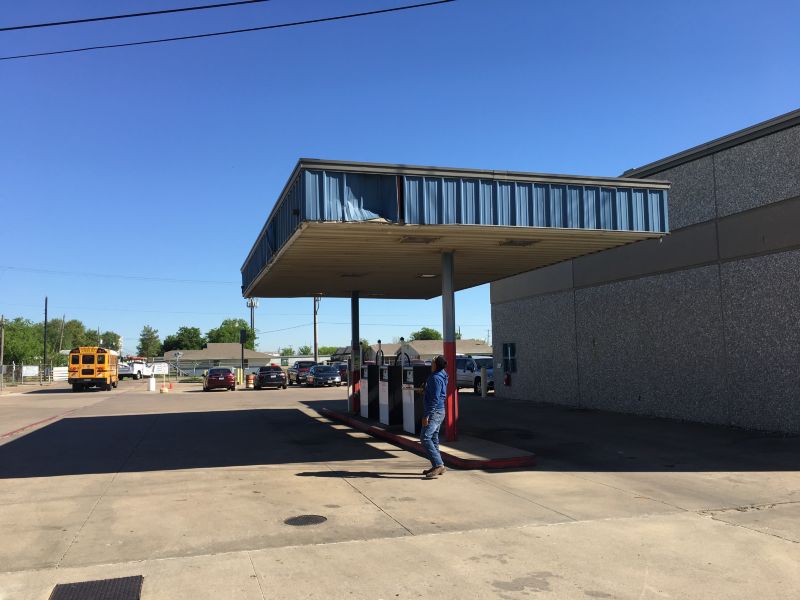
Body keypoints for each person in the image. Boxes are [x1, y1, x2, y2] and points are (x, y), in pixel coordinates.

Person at [421, 355, 448, 478]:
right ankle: (437, 465)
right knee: (434, 438)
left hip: (434, 412)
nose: (430, 364)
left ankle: (439, 465)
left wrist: (427, 415)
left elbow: (435, 398)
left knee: (425, 438)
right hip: (440, 411)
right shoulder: (442, 374)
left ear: (436, 365)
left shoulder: (435, 378)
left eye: (432, 362)